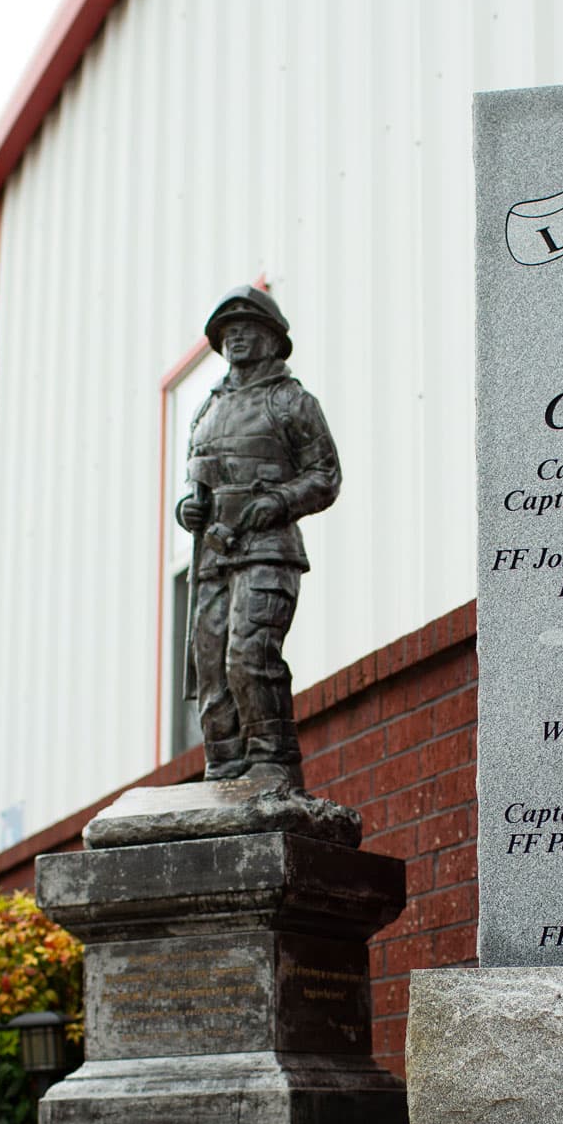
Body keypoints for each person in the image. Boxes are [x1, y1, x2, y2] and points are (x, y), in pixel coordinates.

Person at [175, 287, 340, 790]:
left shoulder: (291, 401)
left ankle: (272, 764)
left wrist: (278, 502)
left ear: (273, 339)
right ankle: (223, 766)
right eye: (229, 332)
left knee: (249, 655)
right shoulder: (207, 409)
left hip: (267, 550)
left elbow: (325, 475)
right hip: (214, 555)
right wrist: (188, 508)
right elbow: (194, 485)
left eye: (248, 328)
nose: (238, 338)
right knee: (211, 670)